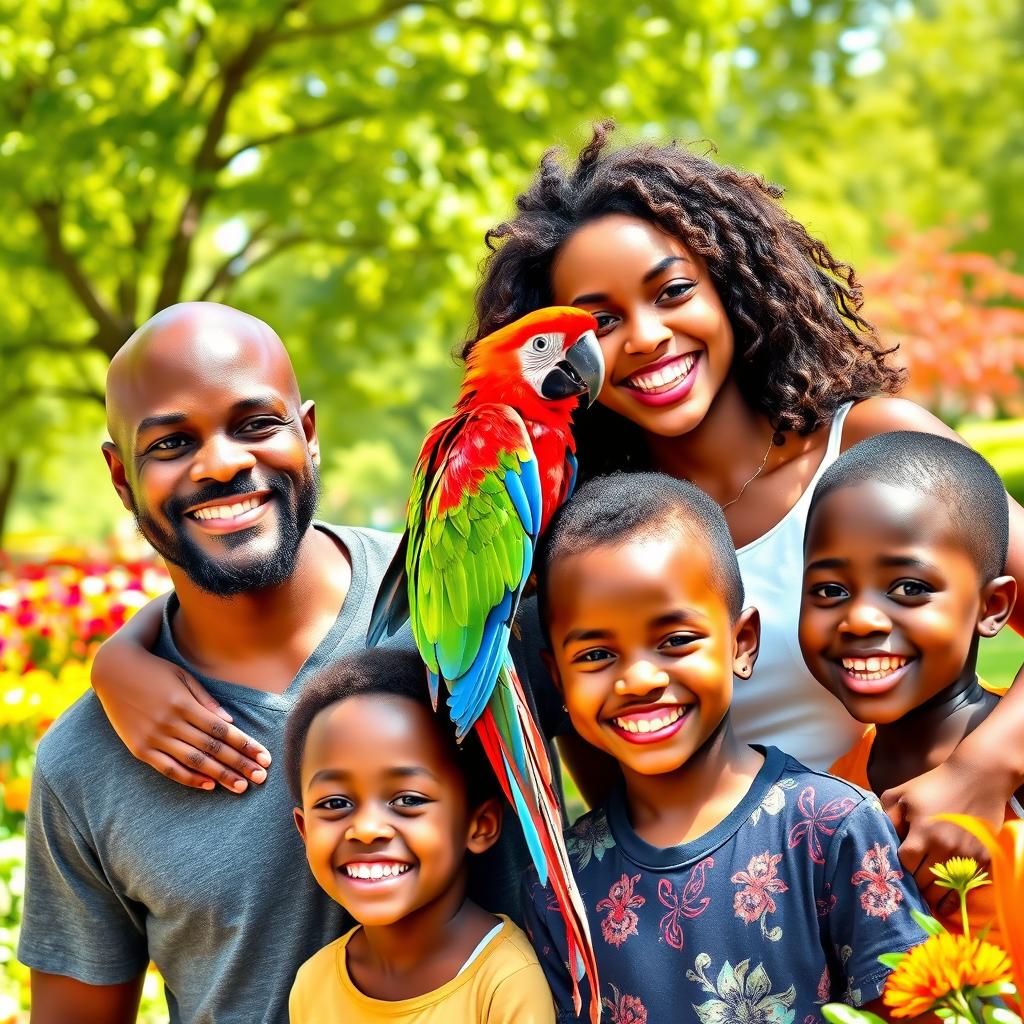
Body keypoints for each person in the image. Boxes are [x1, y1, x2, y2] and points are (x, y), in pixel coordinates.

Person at [466, 121, 1024, 882]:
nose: (647, 337)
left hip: (941, 874)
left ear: (731, 285)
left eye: (671, 292)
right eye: (600, 320)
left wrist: (983, 770)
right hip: (752, 935)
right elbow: (621, 790)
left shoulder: (872, 447)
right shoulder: (590, 539)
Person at [18, 302, 558, 1023]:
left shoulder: (460, 603)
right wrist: (114, 663)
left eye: (255, 425)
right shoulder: (85, 763)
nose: (223, 462)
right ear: (121, 479)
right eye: (172, 443)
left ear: (308, 434)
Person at [524, 471, 927, 1022]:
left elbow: (910, 1008)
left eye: (675, 641)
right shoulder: (561, 886)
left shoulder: (833, 828)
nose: (639, 678)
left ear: (741, 642)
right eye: (595, 655)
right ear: (558, 680)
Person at [799, 431, 1022, 932]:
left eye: (910, 588)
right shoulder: (836, 794)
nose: (860, 620)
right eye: (830, 590)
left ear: (992, 608)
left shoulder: (1014, 768)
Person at [284, 646, 555, 1023]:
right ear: (304, 830)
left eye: (408, 799)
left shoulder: (504, 980)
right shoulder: (312, 985)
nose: (365, 830)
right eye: (334, 804)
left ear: (480, 825)